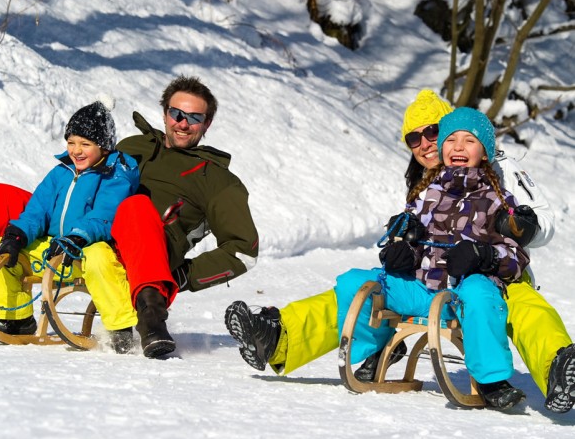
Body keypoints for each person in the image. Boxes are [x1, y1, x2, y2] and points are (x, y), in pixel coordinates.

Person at [225, 90, 575, 414]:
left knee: (526, 309)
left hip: (496, 275)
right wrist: (399, 245)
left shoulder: (498, 170)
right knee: (360, 290)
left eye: (433, 132)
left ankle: (558, 369)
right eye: (414, 138)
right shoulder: (428, 183)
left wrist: (517, 231)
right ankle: (278, 336)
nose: (425, 144)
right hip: (432, 280)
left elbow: (537, 220)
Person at [111, 75, 259, 358]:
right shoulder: (133, 148)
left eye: (194, 117)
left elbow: (244, 251)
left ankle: (152, 314)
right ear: (165, 112)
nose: (182, 123)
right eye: (176, 113)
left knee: (136, 207)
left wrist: (182, 276)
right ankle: (12, 312)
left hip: (149, 254)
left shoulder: (216, 180)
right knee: (4, 196)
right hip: (95, 232)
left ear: (207, 123)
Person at [0, 98, 139, 353]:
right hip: (53, 251)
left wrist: (77, 237)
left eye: (85, 144)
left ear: (104, 146)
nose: (76, 150)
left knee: (100, 260)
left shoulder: (115, 175)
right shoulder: (60, 173)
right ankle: (15, 321)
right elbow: (37, 211)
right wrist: (17, 234)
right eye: (71, 142)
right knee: (1, 250)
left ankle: (120, 329)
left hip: (88, 248)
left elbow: (105, 215)